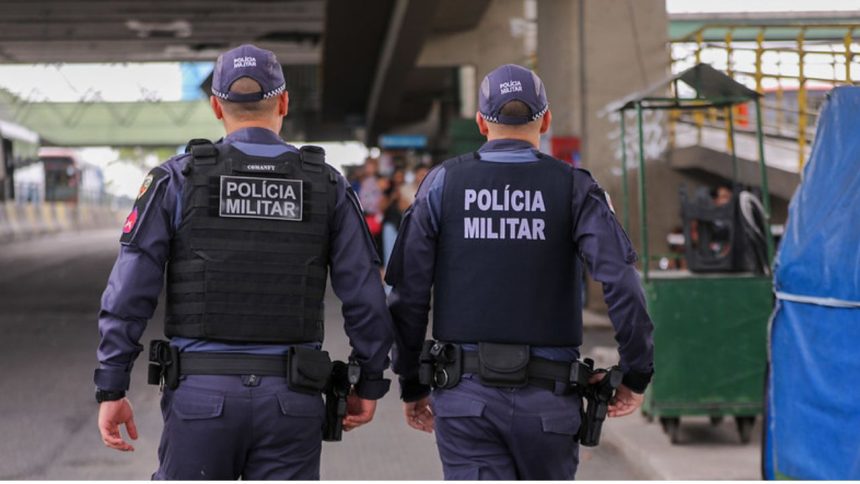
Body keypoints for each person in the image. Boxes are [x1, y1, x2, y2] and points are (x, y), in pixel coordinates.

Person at [94, 44, 393, 480]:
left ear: (216, 106)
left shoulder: (177, 179)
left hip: (199, 398)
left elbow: (129, 290)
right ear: (285, 102)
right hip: (292, 400)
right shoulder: (327, 184)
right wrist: (369, 381)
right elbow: (365, 293)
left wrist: (111, 384)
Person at [386, 64, 654, 480]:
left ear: (480, 122)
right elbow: (621, 282)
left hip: (465, 399)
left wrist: (412, 382)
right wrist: (635, 372)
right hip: (549, 402)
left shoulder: (442, 184)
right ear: (546, 120)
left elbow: (408, 294)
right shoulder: (575, 188)